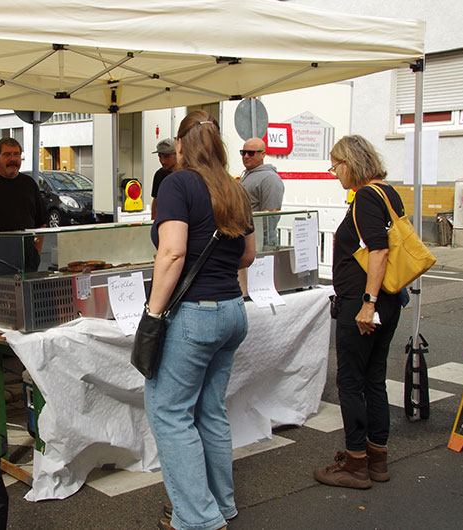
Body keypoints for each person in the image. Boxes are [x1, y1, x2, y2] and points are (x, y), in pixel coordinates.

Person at [144, 110, 256, 530]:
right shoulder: (235, 188)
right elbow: (247, 256)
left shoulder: (178, 183)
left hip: (194, 314)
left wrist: (154, 312)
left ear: (183, 145)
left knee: (170, 413)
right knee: (209, 410)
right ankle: (220, 505)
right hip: (232, 310)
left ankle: (198, 519)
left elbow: (171, 252)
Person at [313, 135, 404, 489]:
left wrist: (367, 302)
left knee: (351, 382)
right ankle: (376, 458)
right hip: (390, 299)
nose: (334, 171)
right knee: (374, 380)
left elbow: (378, 251)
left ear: (351, 162)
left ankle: (355, 463)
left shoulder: (366, 195)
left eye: (336, 164)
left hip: (365, 302)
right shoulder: (386, 191)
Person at [0, 137, 48, 273]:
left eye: (16, 154)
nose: (13, 159)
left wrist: (36, 251)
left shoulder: (29, 183)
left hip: (26, 260)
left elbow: (41, 222)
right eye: (7, 154)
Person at [239, 137, 284, 246]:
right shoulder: (245, 176)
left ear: (263, 154)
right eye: (243, 152)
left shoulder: (270, 179)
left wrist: (262, 244)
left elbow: (270, 218)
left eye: (251, 153)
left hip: (259, 243)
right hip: (243, 239)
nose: (246, 156)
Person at [150, 138, 178, 219]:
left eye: (167, 157)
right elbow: (156, 200)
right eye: (160, 157)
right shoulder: (160, 175)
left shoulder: (188, 175)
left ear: (177, 154)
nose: (162, 161)